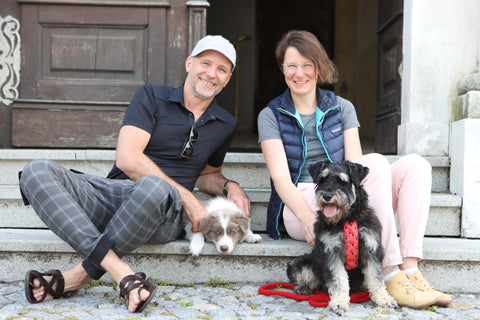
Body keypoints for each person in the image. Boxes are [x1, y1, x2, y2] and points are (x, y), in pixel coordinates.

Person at [19, 35, 250, 313]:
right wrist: (189, 198)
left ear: (228, 79)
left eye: (222, 69)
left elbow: (207, 173)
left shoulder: (226, 123)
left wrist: (229, 185)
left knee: (153, 187)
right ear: (190, 63)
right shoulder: (153, 95)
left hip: (161, 214)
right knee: (36, 170)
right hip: (114, 194)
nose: (212, 73)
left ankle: (75, 277)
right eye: (206, 63)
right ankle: (122, 274)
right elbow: (128, 159)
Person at [257, 30, 452, 308]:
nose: (299, 73)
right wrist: (305, 219)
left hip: (345, 200)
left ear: (319, 66)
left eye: (306, 65)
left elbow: (360, 171)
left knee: (415, 166)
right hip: (303, 201)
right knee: (376, 164)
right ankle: (388, 273)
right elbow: (280, 179)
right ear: (282, 70)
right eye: (291, 66)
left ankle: (410, 269)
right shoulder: (271, 115)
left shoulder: (342, 107)